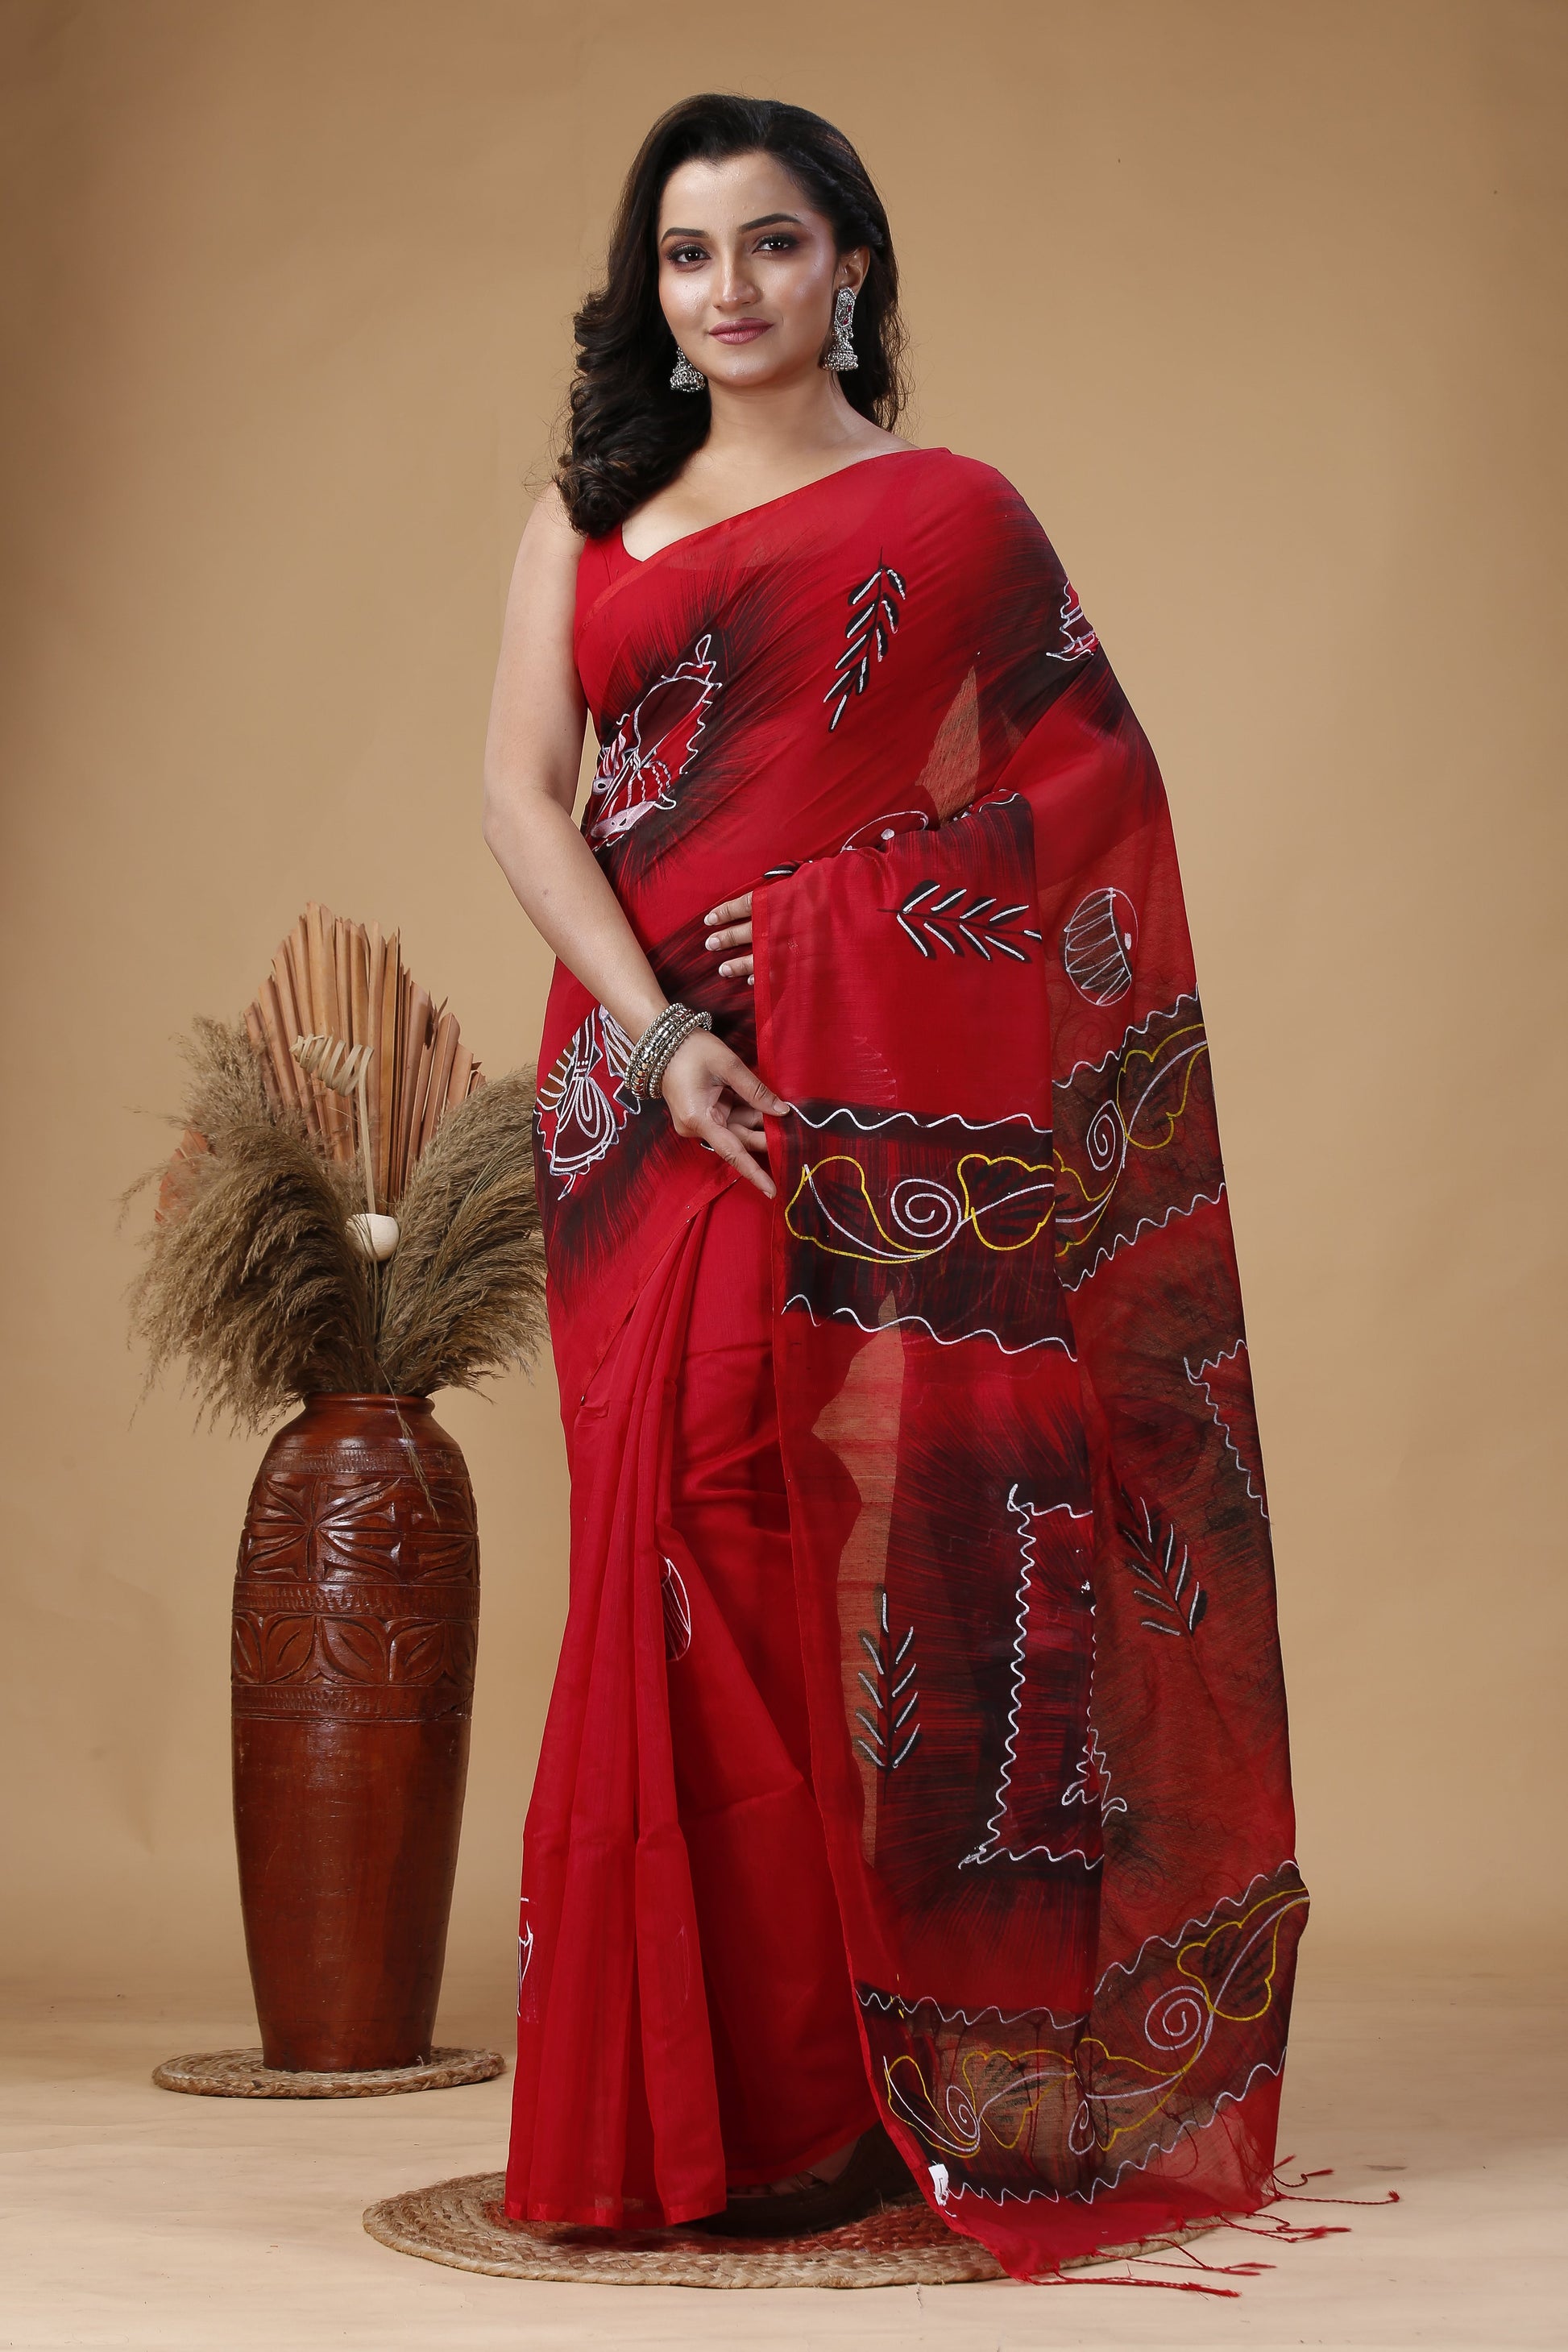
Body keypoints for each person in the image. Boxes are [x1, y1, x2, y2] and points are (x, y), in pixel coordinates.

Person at [482, 92, 1305, 2284]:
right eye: (685, 253)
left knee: (808, 1542)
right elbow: (515, 793)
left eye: (770, 243)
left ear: (849, 262)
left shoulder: (949, 517)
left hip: (853, 1103)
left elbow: (1082, 797)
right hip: (632, 1095)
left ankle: (836, 2099)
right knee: (652, 1543)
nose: (726, 288)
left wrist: (857, 919)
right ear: (649, 285)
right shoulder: (591, 510)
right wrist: (652, 1031)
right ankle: (662, 2114)